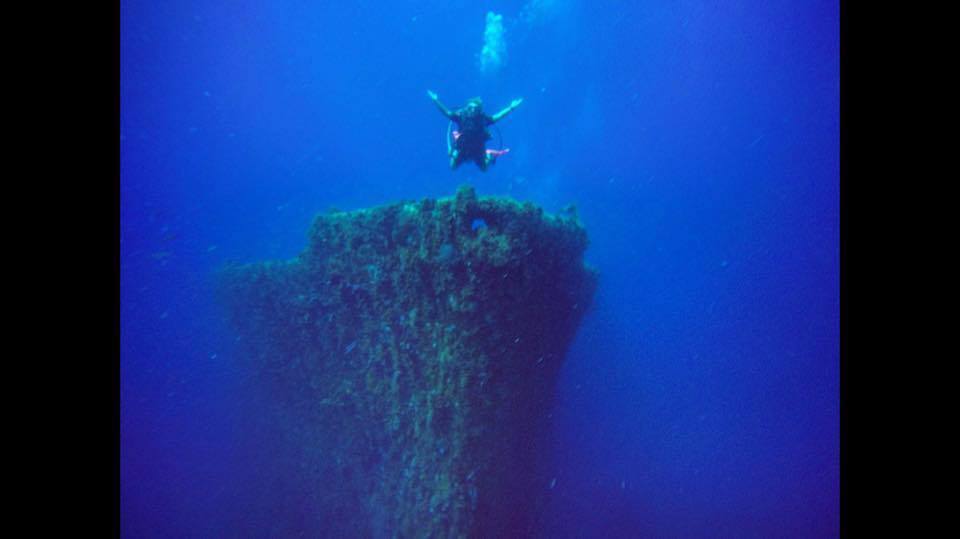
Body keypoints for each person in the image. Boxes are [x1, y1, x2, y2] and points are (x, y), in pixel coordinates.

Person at [427, 90, 523, 171]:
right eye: (470, 108)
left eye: (475, 109)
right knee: (452, 166)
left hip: (478, 148)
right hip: (462, 147)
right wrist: (435, 99)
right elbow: (447, 112)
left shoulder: (483, 119)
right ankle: (456, 152)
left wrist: (511, 107)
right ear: (467, 108)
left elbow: (498, 116)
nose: (472, 110)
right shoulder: (461, 116)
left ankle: (488, 155)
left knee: (484, 169)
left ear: (479, 110)